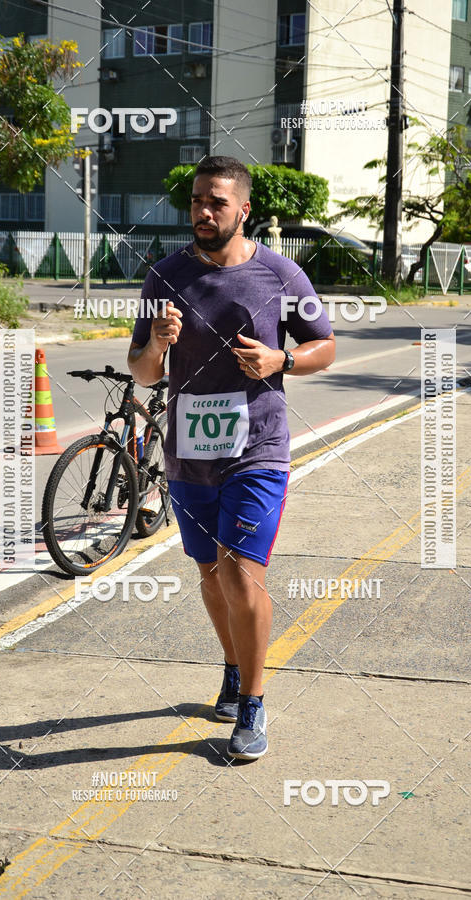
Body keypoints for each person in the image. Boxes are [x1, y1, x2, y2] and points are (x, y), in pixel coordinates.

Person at [128, 156, 335, 760]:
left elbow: (325, 346)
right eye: (197, 200)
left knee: (241, 572)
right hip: (189, 453)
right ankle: (233, 664)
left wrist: (281, 360)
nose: (203, 211)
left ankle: (252, 701)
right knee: (211, 574)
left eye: (216, 202)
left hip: (258, 449)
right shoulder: (164, 277)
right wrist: (158, 344)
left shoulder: (281, 274)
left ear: (243, 209)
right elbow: (143, 372)